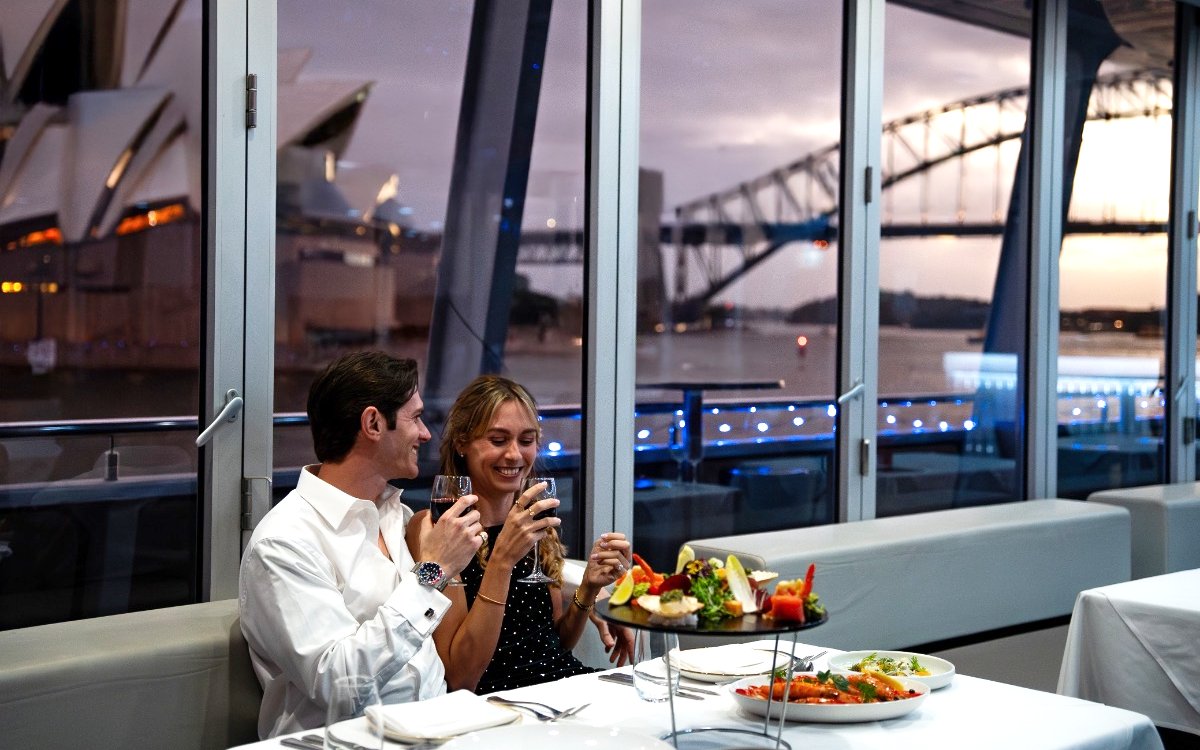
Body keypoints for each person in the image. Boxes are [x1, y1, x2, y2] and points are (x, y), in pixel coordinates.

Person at [238, 352, 487, 738]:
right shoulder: (283, 542)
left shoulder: (397, 517)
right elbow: (341, 683)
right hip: (345, 740)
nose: (425, 434)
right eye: (415, 417)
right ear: (372, 423)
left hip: (441, 730)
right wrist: (431, 573)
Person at [406, 375, 633, 693]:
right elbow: (459, 677)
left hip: (561, 684)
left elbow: (553, 644)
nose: (514, 455)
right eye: (498, 440)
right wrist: (502, 560)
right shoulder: (439, 527)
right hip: (499, 698)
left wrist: (589, 588)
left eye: (526, 441)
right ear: (461, 443)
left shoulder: (533, 519)